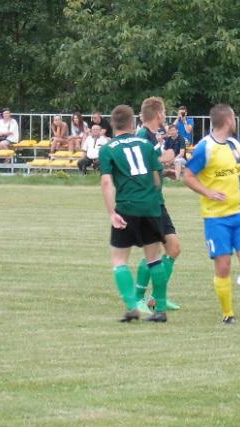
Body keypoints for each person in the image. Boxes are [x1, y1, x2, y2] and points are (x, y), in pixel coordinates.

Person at [183, 104, 240, 325]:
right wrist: (208, 192)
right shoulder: (205, 148)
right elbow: (188, 175)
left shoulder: (234, 145)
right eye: (234, 118)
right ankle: (228, 314)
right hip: (216, 218)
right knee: (223, 265)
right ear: (228, 120)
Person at [99, 104, 170, 323]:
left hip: (126, 207)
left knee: (120, 260)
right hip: (150, 206)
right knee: (154, 258)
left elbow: (106, 182)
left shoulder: (108, 149)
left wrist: (112, 213)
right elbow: (157, 178)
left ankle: (132, 307)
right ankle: (160, 309)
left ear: (112, 124)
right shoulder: (146, 145)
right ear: (132, 123)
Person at [133, 97, 181, 312]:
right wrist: (165, 158)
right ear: (159, 114)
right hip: (147, 201)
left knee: (173, 248)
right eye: (164, 112)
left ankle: (156, 297)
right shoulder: (144, 134)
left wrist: (165, 172)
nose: (165, 116)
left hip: (156, 201)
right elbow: (141, 163)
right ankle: (137, 298)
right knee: (153, 251)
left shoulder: (151, 136)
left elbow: (151, 165)